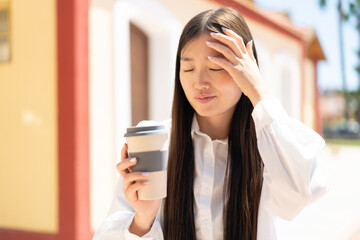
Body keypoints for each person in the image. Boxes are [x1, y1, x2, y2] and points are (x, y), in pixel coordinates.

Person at [93, 7, 327, 240]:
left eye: (216, 67)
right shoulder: (157, 144)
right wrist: (142, 220)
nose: (199, 82)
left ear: (246, 70)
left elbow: (302, 190)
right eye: (188, 68)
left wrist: (259, 91)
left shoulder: (269, 147)